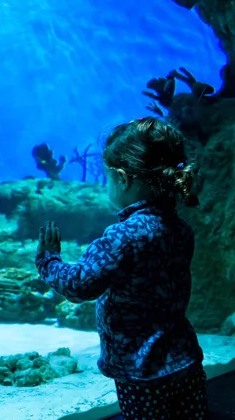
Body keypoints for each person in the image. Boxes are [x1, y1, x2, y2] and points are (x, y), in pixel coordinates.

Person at [35, 117, 208, 419]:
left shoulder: (123, 236)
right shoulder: (180, 229)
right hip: (184, 359)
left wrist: (48, 260)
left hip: (141, 371)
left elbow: (80, 285)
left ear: (122, 178)